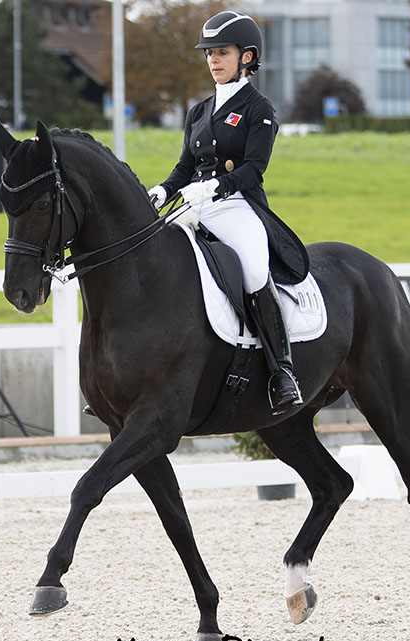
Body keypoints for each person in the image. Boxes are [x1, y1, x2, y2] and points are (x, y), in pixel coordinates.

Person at [148, 10, 309, 415]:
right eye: (209, 54)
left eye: (222, 52)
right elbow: (186, 165)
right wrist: (163, 189)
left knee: (255, 271)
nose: (213, 61)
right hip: (192, 204)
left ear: (247, 56)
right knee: (150, 258)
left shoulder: (260, 108)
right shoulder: (198, 112)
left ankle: (282, 371)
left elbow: (255, 167)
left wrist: (218, 185)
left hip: (236, 205)